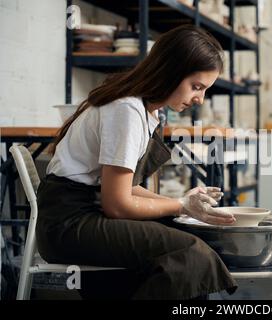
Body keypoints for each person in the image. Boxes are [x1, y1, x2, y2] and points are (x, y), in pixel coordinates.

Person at [36, 25, 238, 300]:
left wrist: (182, 204)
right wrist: (180, 205)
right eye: (196, 87)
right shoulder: (127, 109)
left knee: (186, 233)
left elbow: (125, 188)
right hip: (69, 223)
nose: (199, 99)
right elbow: (117, 204)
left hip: (84, 212)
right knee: (190, 253)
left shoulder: (143, 109)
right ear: (171, 71)